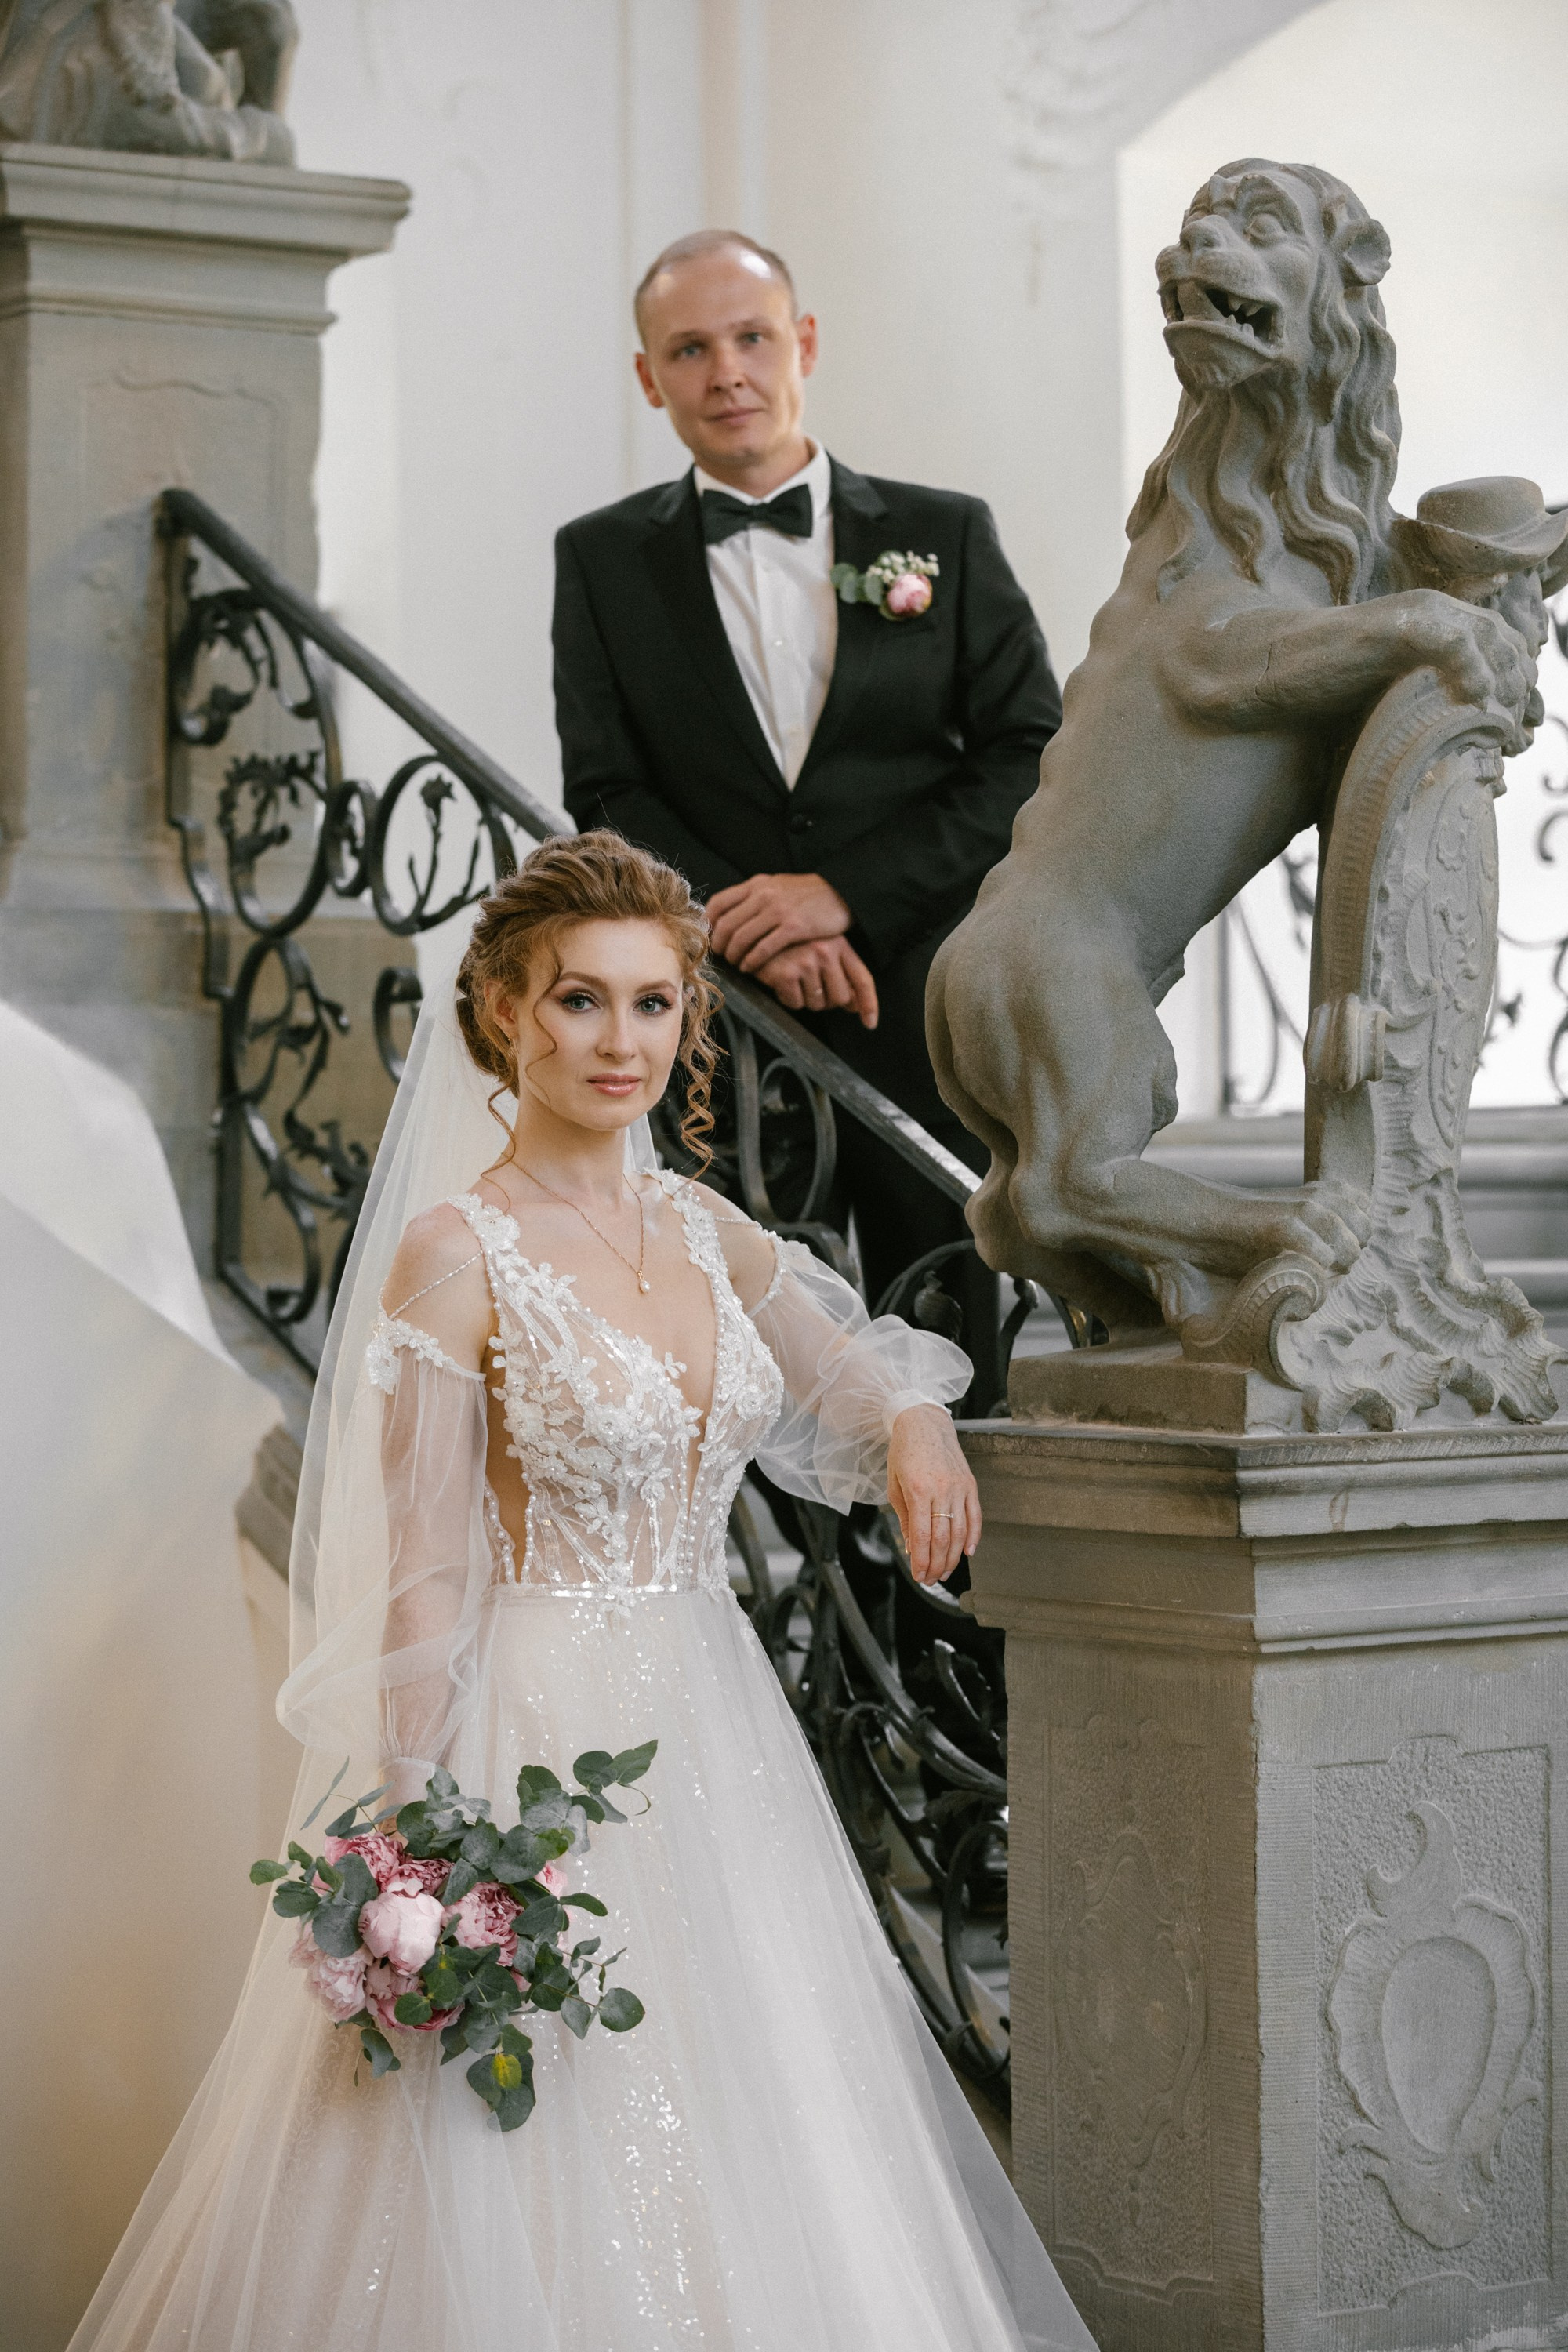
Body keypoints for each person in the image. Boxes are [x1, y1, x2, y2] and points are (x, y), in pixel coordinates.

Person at [67, 833, 1094, 2352]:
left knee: (763, 2113)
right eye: (579, 1004)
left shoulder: (704, 1228)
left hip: (713, 1723)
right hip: (531, 1728)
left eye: (653, 1006)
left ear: (689, 1021)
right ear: (502, 1013)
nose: (620, 1042)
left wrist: (921, 1420)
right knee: (521, 2126)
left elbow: (851, 1365)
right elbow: (423, 1575)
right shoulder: (452, 1255)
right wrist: (411, 1847)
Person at [553, 230, 1062, 1369]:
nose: (725, 371)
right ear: (650, 377)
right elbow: (605, 783)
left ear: (805, 345)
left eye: (751, 337)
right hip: (719, 1020)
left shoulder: (945, 536)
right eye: (688, 349)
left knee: (939, 1315)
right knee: (739, 1337)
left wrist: (843, 898)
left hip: (913, 999)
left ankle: (943, 1558)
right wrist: (747, 920)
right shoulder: (600, 560)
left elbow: (1030, 750)